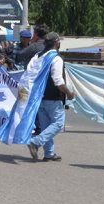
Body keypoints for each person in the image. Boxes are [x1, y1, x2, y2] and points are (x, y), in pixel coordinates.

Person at [26, 32, 75, 162]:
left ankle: (49, 153)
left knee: (46, 126)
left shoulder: (37, 56)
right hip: (53, 97)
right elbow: (58, 80)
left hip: (39, 96)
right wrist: (69, 93)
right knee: (58, 124)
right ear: (56, 43)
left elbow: (29, 74)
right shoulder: (56, 58)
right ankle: (35, 142)